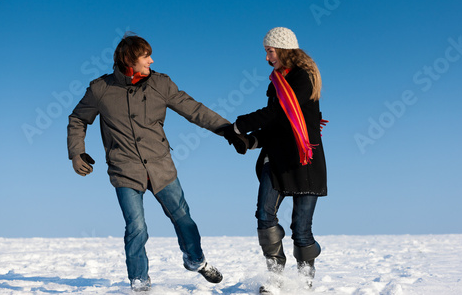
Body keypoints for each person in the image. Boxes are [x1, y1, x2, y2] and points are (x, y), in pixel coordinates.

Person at [67, 33, 238, 292]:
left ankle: (197, 261)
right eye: (145, 56)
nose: (152, 60)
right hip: (125, 169)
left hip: (160, 166)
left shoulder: (161, 84)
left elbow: (194, 109)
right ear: (129, 59)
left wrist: (227, 129)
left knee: (183, 218)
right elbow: (78, 119)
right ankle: (140, 282)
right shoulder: (100, 89)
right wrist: (76, 152)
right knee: (136, 227)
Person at [217, 27, 327, 293]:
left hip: (304, 161)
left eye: (270, 51)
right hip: (276, 159)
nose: (267, 58)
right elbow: (275, 126)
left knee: (301, 229)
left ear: (284, 49)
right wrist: (250, 140)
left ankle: (304, 282)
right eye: (266, 52)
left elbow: (277, 113)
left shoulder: (303, 79)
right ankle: (276, 277)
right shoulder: (276, 82)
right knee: (265, 215)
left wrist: (240, 125)